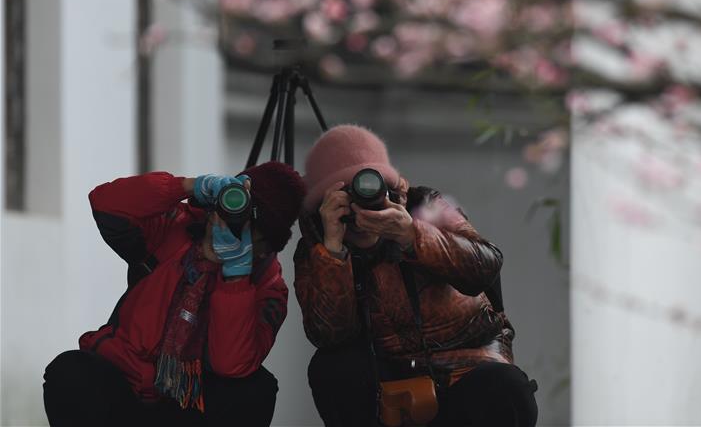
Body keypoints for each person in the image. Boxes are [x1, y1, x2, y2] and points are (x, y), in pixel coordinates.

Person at [294, 124, 538, 427]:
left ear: (393, 189)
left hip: (465, 365)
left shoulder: (426, 208)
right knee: (331, 367)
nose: (361, 209)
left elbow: (485, 267)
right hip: (385, 375)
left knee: (507, 388)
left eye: (370, 190)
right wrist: (333, 251)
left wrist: (412, 235)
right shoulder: (318, 246)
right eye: (346, 198)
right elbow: (329, 336)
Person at [43, 161, 305, 427]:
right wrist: (188, 185)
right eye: (232, 214)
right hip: (126, 382)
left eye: (251, 229)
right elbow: (105, 203)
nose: (233, 228)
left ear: (266, 247)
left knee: (255, 390)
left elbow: (230, 364)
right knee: (70, 372)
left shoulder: (268, 287)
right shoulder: (176, 226)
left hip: (191, 404)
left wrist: (235, 275)